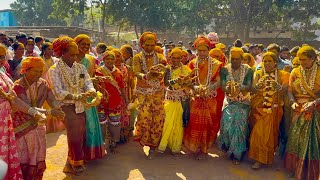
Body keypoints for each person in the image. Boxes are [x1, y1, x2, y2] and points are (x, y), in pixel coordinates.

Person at [47, 36, 96, 175]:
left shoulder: (80, 67)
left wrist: (91, 92)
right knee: (74, 135)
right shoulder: (54, 70)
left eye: (76, 54)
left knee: (80, 135)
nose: (75, 57)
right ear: (62, 53)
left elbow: (87, 82)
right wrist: (77, 97)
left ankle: (70, 163)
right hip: (66, 106)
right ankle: (76, 164)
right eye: (72, 54)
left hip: (80, 106)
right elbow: (58, 92)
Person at [11, 57, 65, 180]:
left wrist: (57, 107)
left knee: (38, 153)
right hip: (23, 127)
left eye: (40, 71)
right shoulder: (18, 86)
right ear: (26, 70)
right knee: (25, 156)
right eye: (35, 71)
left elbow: (50, 97)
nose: (38, 74)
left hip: (38, 125)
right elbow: (27, 108)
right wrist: (50, 111)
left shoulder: (42, 83)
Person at [248, 52, 289, 169]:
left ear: (276, 62)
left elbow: (285, 91)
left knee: (267, 135)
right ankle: (258, 158)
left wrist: (278, 87)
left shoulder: (283, 75)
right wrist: (258, 86)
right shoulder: (258, 73)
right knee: (258, 133)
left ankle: (263, 158)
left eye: (269, 61)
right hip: (258, 108)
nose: (266, 63)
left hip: (273, 109)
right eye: (265, 61)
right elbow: (253, 90)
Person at [284, 46, 320, 180]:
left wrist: (314, 103)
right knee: (295, 140)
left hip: (315, 111)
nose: (302, 63)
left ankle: (309, 170)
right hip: (298, 110)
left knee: (311, 142)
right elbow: (289, 90)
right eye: (300, 60)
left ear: (313, 58)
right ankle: (295, 168)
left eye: (304, 60)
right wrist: (292, 101)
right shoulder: (295, 71)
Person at [184, 36, 222, 160]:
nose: (201, 53)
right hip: (196, 98)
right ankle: (194, 147)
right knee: (194, 123)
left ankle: (204, 150)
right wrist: (195, 88)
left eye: (204, 50)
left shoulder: (216, 64)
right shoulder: (192, 63)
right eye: (199, 51)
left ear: (208, 50)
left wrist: (209, 88)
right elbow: (188, 81)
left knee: (207, 124)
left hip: (209, 98)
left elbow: (218, 82)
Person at [132, 32, 166, 159]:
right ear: (142, 45)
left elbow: (164, 71)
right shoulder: (137, 57)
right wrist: (146, 76)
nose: (150, 47)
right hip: (143, 92)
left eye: (152, 45)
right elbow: (136, 72)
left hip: (157, 92)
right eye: (147, 45)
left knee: (157, 118)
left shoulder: (161, 57)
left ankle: (153, 146)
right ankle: (143, 139)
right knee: (145, 116)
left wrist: (161, 74)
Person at [218, 47, 253, 165]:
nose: (234, 62)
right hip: (230, 102)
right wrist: (228, 88)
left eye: (237, 59)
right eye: (232, 59)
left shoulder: (248, 70)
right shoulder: (224, 70)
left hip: (243, 103)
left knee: (239, 127)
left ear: (242, 59)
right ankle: (228, 147)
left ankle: (237, 154)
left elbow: (249, 86)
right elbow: (223, 86)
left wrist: (239, 87)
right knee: (226, 125)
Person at [74, 34, 105, 161]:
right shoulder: (72, 60)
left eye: (88, 44)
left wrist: (95, 82)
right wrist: (91, 80)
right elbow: (79, 80)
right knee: (79, 128)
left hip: (88, 95)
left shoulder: (90, 59)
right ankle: (79, 155)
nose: (86, 46)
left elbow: (87, 79)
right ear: (76, 45)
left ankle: (90, 153)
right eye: (83, 44)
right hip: (75, 96)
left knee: (91, 125)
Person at [158, 48, 192, 154]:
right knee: (167, 122)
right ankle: (164, 144)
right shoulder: (167, 69)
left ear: (181, 58)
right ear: (170, 58)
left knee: (178, 123)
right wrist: (177, 80)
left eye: (178, 58)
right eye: (174, 58)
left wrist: (184, 82)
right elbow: (167, 83)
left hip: (181, 100)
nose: (176, 60)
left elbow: (190, 84)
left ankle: (175, 146)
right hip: (170, 99)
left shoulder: (186, 69)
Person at [94, 51, 127, 152]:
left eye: (112, 59)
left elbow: (122, 87)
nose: (110, 61)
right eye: (107, 59)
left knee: (115, 122)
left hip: (115, 101)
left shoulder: (118, 72)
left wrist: (125, 100)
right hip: (101, 101)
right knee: (102, 122)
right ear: (103, 60)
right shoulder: (98, 72)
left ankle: (114, 141)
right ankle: (102, 141)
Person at [40, 42, 65, 133]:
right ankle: (47, 126)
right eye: (48, 49)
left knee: (55, 103)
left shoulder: (56, 61)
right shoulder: (39, 60)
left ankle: (57, 125)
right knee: (46, 104)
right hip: (43, 86)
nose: (51, 51)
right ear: (43, 50)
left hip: (55, 86)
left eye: (52, 49)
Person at [113, 48, 130, 142]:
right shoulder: (107, 68)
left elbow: (130, 83)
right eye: (114, 57)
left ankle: (123, 135)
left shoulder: (126, 68)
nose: (116, 59)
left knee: (124, 115)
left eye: (118, 56)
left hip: (124, 94)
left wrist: (128, 98)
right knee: (115, 115)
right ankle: (115, 137)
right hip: (113, 95)